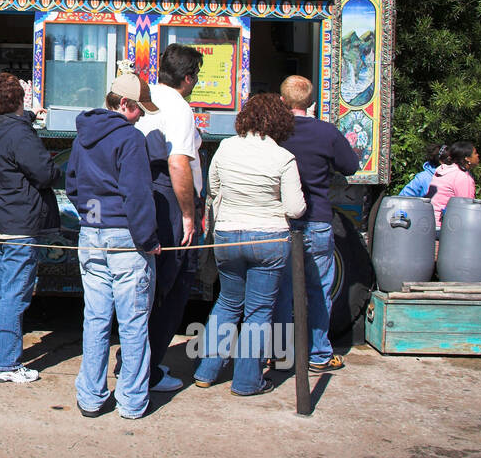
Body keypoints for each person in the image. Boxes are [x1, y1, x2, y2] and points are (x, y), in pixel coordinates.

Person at [193, 93, 306, 396]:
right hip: (268, 239)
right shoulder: (283, 157)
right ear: (280, 121)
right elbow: (295, 209)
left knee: (227, 303)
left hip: (227, 236)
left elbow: (213, 190)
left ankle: (205, 371)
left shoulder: (226, 148)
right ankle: (246, 381)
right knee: (258, 311)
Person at [65, 75, 162, 419]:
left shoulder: (82, 137)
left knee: (96, 318)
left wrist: (94, 216)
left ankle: (90, 397)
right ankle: (132, 401)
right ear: (124, 104)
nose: (141, 117)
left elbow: (72, 186)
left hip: (91, 234)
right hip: (126, 237)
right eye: (139, 109)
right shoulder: (131, 139)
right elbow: (137, 195)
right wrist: (148, 239)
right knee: (133, 322)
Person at [272, 76, 359, 373]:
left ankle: (281, 354)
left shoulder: (273, 132)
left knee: (282, 289)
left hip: (281, 221)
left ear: (282, 101)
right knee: (318, 290)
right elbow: (350, 166)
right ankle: (319, 354)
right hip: (318, 220)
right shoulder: (327, 132)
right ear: (311, 102)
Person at [0, 72, 59, 383]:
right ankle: (5, 364)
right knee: (15, 293)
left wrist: (27, 120)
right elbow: (44, 173)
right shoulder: (20, 134)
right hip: (19, 221)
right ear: (19, 102)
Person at [139, 43, 204, 392]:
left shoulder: (146, 98)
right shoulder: (179, 107)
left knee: (147, 288)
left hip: (143, 198)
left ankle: (137, 363)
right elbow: (179, 163)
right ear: (189, 78)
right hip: (169, 201)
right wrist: (188, 214)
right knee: (171, 287)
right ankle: (148, 371)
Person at [428, 140, 478, 228]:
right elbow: (467, 208)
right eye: (475, 153)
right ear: (467, 158)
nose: (477, 155)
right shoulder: (462, 177)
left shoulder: (444, 169)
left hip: (430, 221)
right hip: (443, 227)